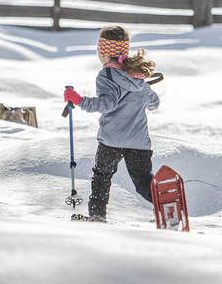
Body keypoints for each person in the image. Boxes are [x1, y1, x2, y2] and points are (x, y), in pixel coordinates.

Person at [63, 25, 161, 222]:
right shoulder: (137, 78)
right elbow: (154, 103)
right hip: (138, 143)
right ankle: (164, 208)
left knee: (101, 177)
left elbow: (107, 103)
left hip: (111, 140)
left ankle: (98, 216)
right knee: (143, 182)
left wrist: (78, 100)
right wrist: (141, 90)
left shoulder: (106, 76)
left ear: (103, 52)